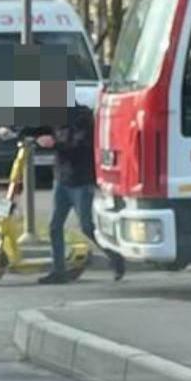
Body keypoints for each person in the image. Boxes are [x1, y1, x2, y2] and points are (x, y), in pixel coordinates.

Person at [35, 103, 126, 284]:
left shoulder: (82, 117)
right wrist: (17, 132)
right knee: (54, 226)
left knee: (86, 226)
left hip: (81, 181)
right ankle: (58, 270)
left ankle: (116, 257)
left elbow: (79, 144)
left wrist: (55, 143)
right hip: (62, 179)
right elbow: (37, 128)